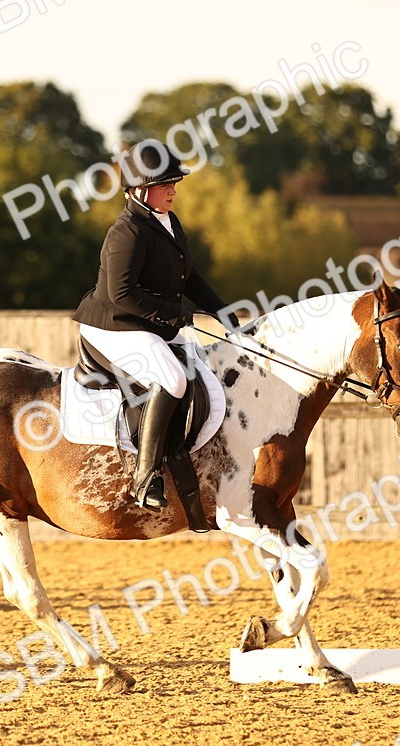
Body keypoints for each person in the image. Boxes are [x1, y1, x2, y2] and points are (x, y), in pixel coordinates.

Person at [73, 139, 228, 512]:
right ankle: (146, 477)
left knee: (202, 369)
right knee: (173, 380)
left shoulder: (167, 221)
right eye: (166, 184)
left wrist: (221, 309)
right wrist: (175, 315)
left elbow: (188, 276)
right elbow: (122, 294)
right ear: (141, 190)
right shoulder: (127, 232)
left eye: (174, 183)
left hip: (146, 323)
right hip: (113, 326)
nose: (173, 190)